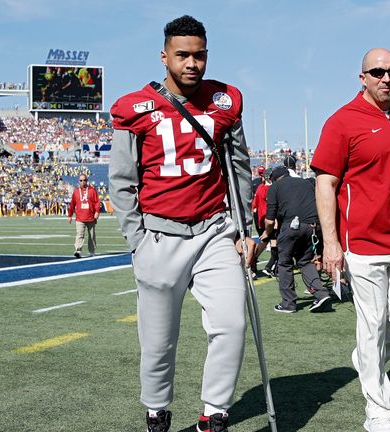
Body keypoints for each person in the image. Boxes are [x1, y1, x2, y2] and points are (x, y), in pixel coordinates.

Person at [108, 15, 254, 432]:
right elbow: (122, 180)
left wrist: (246, 230)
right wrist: (137, 240)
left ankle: (215, 413)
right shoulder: (134, 108)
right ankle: (157, 410)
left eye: (200, 55)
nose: (192, 63)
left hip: (214, 231)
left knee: (231, 323)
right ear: (164, 56)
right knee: (157, 342)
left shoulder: (226, 101)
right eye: (183, 55)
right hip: (160, 234)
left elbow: (239, 169)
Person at [312, 48, 390, 432]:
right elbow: (325, 182)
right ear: (362, 77)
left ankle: (367, 358)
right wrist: (331, 242)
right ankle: (378, 414)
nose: (386, 78)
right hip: (361, 243)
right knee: (372, 324)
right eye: (377, 71)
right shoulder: (341, 121)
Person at [263, 165, 331, 313]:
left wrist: (267, 234)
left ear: (274, 178)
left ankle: (288, 303)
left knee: (284, 262)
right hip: (314, 225)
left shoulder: (275, 187)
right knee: (305, 261)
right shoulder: (305, 182)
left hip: (293, 226)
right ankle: (321, 294)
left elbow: (269, 220)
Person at [68, 174, 100, 258]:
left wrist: (97, 212)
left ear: (87, 180)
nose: (83, 182)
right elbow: (72, 204)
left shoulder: (92, 190)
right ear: (79, 181)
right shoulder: (76, 192)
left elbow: (97, 202)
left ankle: (92, 251)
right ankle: (78, 250)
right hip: (80, 218)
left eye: (84, 180)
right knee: (79, 234)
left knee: (92, 235)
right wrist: (70, 215)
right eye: (81, 180)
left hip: (91, 217)